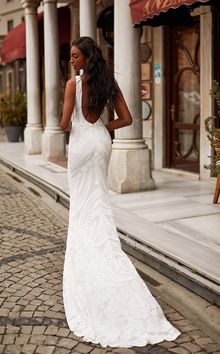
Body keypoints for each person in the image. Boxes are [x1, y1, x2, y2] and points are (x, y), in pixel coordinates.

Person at [60, 36, 180, 348]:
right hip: (100, 143)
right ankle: (108, 257)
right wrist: (101, 128)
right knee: (99, 203)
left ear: (86, 57)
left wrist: (77, 125)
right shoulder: (108, 83)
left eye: (75, 56)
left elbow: (63, 124)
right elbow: (126, 119)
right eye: (70, 56)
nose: (71, 60)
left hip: (81, 146)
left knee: (83, 206)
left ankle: (89, 261)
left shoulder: (74, 84)